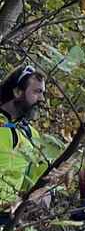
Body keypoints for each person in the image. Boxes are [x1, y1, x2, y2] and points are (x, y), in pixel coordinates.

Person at [0, 65, 47, 212]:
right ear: (17, 92)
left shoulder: (31, 135)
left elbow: (38, 179)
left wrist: (44, 194)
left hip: (6, 221)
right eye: (37, 92)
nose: (42, 99)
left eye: (42, 93)